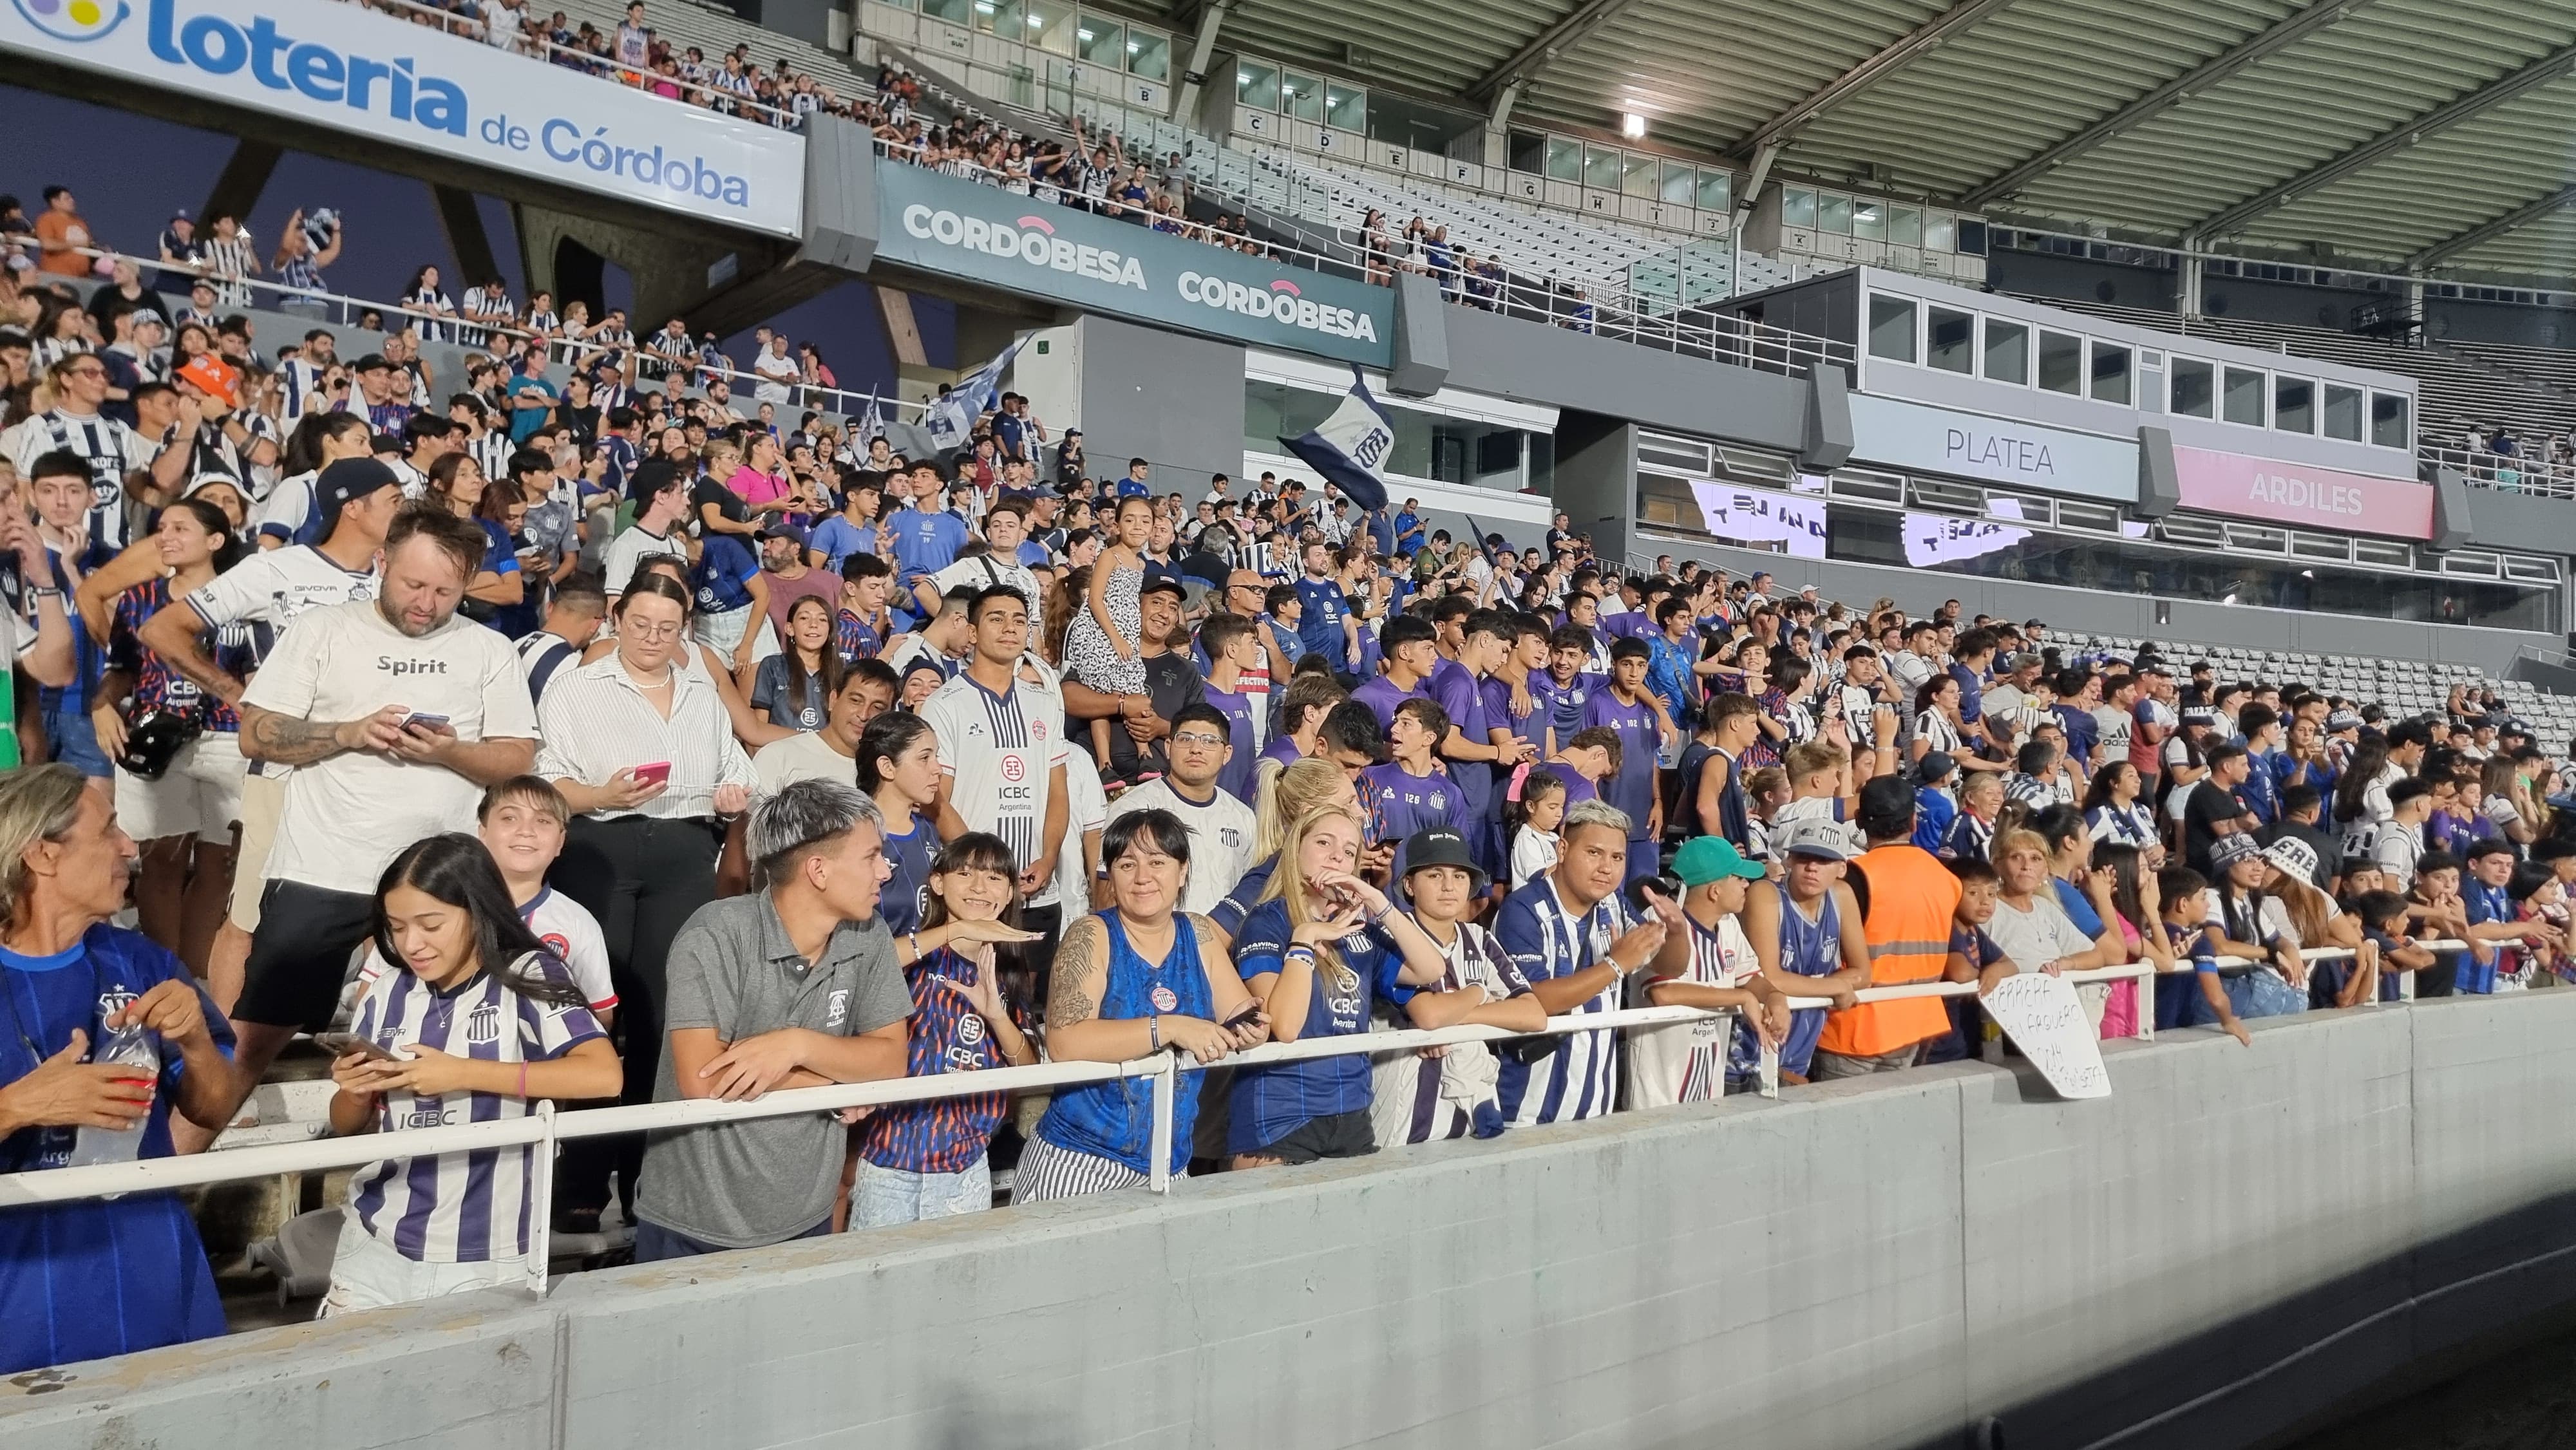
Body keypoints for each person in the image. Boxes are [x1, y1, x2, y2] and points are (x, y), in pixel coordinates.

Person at [226, 507, 540, 1113]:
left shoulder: (489, 648)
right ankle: (163, 1178)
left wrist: (449, 751)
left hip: (439, 885)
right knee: (251, 1041)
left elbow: (516, 758)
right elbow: (256, 733)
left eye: (445, 592)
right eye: (413, 585)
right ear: (381, 563)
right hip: (322, 870)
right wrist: (348, 733)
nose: (426, 603)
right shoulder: (322, 630)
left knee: (438, 1044)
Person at [0, 766, 244, 1375]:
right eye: (108, 830)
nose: (129, 846)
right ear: (43, 854)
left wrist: (194, 1043)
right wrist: (22, 1107)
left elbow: (213, 1110)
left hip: (154, 1276)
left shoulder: (140, 960)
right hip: (23, 1300)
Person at [536, 572, 756, 1230]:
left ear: (683, 627)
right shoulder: (576, 686)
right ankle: (574, 1182)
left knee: (663, 1023)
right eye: (640, 624)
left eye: (667, 627)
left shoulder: (699, 690)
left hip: (684, 852)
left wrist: (731, 796)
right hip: (598, 850)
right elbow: (548, 780)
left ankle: (647, 1180)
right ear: (616, 616)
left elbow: (736, 770)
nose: (653, 638)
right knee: (593, 1021)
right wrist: (601, 794)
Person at [322, 834, 620, 1313]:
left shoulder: (531, 973)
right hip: (373, 1242)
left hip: (486, 1254)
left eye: (431, 924)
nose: (411, 944)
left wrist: (462, 1073)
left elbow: (603, 1076)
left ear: (477, 910)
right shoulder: (386, 993)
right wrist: (356, 1092)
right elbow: (345, 1124)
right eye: (397, 927)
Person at [632, 782, 915, 1259]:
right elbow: (704, 1080)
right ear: (818, 870)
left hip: (808, 1217)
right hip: (692, 1225)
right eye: (871, 856)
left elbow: (890, 1063)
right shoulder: (715, 934)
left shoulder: (869, 934)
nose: (885, 872)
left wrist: (796, 1045)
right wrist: (835, 1085)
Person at [1015, 809, 1269, 1201]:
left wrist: (1253, 1029)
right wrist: (1168, 1027)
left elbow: (1237, 1016)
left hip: (1170, 1160)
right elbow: (1066, 1042)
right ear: (1111, 876)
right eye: (1127, 864)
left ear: (1182, 871)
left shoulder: (1199, 933)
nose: (1142, 877)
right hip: (1081, 1159)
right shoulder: (1091, 934)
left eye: (1157, 862)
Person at [1227, 804, 1448, 1167]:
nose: (1336, 857)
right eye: (1324, 843)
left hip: (1352, 1110)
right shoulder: (1266, 921)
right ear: (1295, 850)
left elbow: (1430, 968)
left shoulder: (1358, 927)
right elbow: (1284, 1026)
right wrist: (1306, 937)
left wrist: (1379, 902)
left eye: (1349, 852)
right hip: (1280, 1118)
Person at [851, 832, 1041, 1228]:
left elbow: (1028, 1071)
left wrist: (997, 1016)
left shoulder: (1006, 972)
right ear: (937, 883)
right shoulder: (913, 954)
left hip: (965, 1169)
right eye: (965, 873)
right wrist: (955, 932)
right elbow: (870, 964)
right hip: (888, 1163)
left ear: (1009, 895)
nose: (978, 887)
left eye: (993, 878)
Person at [1493, 799, 1672, 1125]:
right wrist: (1615, 966)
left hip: (1596, 1106)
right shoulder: (1523, 910)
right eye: (1594, 853)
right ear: (1562, 850)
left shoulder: (1614, 905)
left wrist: (1677, 931)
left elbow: (1669, 967)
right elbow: (1535, 1001)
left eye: (1617, 857)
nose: (1607, 867)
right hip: (1527, 1112)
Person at [1367, 825, 1547, 1145]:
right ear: (1409, 884)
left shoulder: (1480, 938)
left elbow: (1534, 1015)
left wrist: (1456, 1017)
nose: (1449, 886)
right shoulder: (1391, 935)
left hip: (1466, 1127)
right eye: (1435, 875)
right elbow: (1430, 1016)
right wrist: (1480, 994)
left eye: (1460, 876)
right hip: (1401, 1121)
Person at [921, 587, 1070, 954]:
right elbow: (935, 799)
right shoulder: (944, 705)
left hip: (1037, 891)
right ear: (972, 633)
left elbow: (1058, 792)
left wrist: (1049, 857)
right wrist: (985, 871)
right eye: (996, 618)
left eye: (1019, 620)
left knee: (1029, 1006)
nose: (1010, 628)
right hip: (974, 893)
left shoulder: (1045, 703)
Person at [1812, 777, 1962, 1077]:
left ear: (1859, 821)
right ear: (1914, 822)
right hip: (1916, 1024)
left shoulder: (1853, 878)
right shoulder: (1947, 878)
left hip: (1854, 1024)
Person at [1629, 835, 1784, 1104]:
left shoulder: (1728, 924)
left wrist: (1774, 997)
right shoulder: (1658, 919)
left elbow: (1750, 977)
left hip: (1709, 1086)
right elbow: (1663, 993)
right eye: (1739, 878)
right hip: (1658, 1092)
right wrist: (1742, 997)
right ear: (1715, 890)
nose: (1747, 884)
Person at [1105, 702, 1257, 915]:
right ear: (1168, 747)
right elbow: (1107, 889)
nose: (1196, 749)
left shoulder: (1243, 817)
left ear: (1227, 753)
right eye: (1185, 739)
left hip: (1221, 943)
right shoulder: (1133, 808)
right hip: (1154, 941)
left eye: (1210, 741)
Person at [1061, 496, 1153, 765]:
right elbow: (1095, 600)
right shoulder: (1108, 556)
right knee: (1102, 695)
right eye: (1130, 520)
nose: (1138, 526)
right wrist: (1115, 638)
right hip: (1099, 634)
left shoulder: (1140, 564)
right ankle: (1105, 763)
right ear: (1116, 525)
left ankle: (1145, 754)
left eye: (1145, 521)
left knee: (1135, 686)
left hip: (1125, 634)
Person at [857, 711, 943, 939]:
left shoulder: (929, 831)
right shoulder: (852, 835)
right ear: (887, 767)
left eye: (936, 757)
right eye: (925, 758)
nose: (938, 769)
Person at [753, 660, 891, 800]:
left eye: (877, 707)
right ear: (833, 700)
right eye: (856, 700)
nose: (863, 715)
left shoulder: (889, 772)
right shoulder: (780, 756)